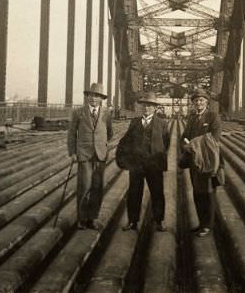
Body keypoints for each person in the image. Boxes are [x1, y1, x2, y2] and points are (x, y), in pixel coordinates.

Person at [119, 91, 171, 232]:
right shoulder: (134, 122)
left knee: (157, 193)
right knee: (134, 193)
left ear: (155, 108)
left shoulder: (162, 123)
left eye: (150, 105)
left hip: (154, 164)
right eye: (145, 105)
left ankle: (159, 221)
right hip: (136, 165)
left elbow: (166, 143)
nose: (147, 108)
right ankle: (132, 221)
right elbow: (127, 141)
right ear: (142, 106)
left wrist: (156, 156)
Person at [67, 82, 114, 230]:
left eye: (97, 96)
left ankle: (92, 218)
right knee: (84, 186)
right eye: (91, 95)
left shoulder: (106, 113)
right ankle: (81, 218)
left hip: (100, 154)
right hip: (84, 154)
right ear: (87, 97)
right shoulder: (78, 113)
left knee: (97, 187)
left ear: (101, 99)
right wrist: (73, 152)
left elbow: (110, 132)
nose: (94, 98)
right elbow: (71, 134)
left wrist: (102, 145)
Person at [181, 88, 222, 237]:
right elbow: (184, 136)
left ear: (207, 102)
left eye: (201, 100)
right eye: (196, 100)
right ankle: (201, 223)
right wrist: (185, 143)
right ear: (193, 103)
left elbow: (214, 139)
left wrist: (191, 144)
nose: (198, 103)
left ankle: (208, 226)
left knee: (208, 193)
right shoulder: (192, 118)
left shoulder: (213, 117)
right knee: (197, 192)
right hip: (194, 161)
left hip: (208, 161)